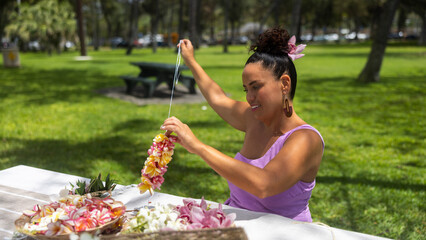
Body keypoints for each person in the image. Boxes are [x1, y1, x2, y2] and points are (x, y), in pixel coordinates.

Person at [160, 27, 324, 222]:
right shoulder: (254, 118)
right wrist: (190, 60)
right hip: (236, 225)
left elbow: (264, 184)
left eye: (256, 87)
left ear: (284, 84)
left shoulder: (306, 139)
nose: (249, 97)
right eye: (246, 89)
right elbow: (218, 98)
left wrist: (198, 147)